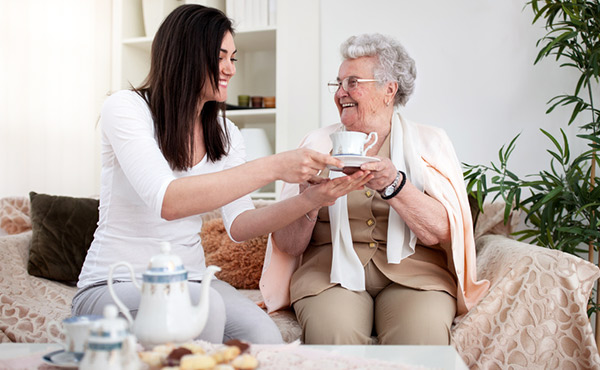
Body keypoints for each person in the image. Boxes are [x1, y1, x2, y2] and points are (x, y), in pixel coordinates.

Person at [72, 5, 371, 344]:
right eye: (221, 57)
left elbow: (240, 225)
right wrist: (273, 166)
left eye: (234, 58)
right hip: (116, 283)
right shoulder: (127, 108)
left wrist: (310, 199)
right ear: (186, 56)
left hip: (193, 282)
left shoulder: (225, 132)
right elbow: (168, 200)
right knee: (206, 308)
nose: (230, 69)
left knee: (265, 338)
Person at [260, 33, 490, 345]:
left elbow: (443, 232)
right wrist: (309, 200)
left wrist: (394, 184)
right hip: (329, 276)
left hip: (416, 276)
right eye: (338, 83)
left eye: (352, 82)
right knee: (334, 335)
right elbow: (288, 245)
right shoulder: (315, 145)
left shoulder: (431, 143)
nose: (341, 93)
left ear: (389, 89)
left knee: (421, 337)